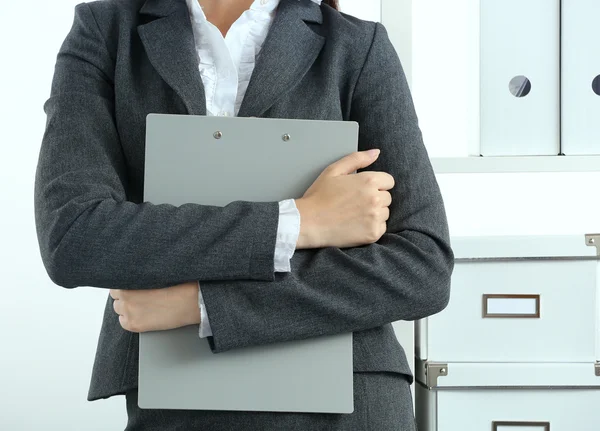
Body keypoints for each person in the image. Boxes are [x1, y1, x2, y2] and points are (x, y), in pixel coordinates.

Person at [34, 0, 454, 429]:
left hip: (349, 401)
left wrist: (202, 305)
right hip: (176, 401)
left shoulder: (357, 46)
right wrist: (302, 221)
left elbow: (421, 267)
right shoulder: (105, 31)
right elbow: (73, 236)